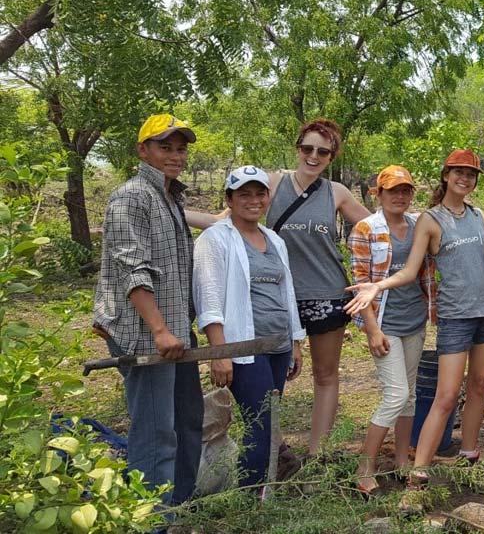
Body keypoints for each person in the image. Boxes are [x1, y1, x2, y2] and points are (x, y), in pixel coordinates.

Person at [344, 150, 484, 487]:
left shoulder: (477, 213)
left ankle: (469, 454)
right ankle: (418, 471)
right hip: (455, 315)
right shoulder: (429, 219)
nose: (464, 179)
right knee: (447, 395)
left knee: (479, 386)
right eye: (458, 173)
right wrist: (377, 285)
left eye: (471, 174)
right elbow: (410, 271)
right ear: (446, 175)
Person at [190, 118, 370, 454]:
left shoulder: (337, 192)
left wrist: (420, 228)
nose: (313, 156)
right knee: (265, 383)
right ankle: (269, 450)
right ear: (298, 147)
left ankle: (318, 453)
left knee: (325, 376)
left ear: (332, 157)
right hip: (272, 300)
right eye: (308, 148)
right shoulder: (272, 183)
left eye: (323, 151)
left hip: (326, 294)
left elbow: (373, 225)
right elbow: (220, 220)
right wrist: (172, 210)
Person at [92, 113, 203, 511]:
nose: (175, 155)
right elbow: (131, 269)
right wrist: (158, 330)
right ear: (143, 150)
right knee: (156, 430)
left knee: (188, 419)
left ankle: (180, 501)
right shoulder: (131, 197)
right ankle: (149, 514)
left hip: (176, 329)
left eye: (180, 148)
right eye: (165, 147)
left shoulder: (170, 197)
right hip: (148, 334)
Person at [192, 166, 306, 494]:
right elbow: (209, 297)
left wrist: (295, 342)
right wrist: (220, 353)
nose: (253, 200)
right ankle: (249, 499)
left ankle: (261, 493)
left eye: (260, 193)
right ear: (229, 199)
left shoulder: (273, 240)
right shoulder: (216, 239)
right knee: (261, 425)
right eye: (244, 194)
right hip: (244, 349)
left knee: (269, 425)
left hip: (278, 345)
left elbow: (287, 293)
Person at [346, 165, 436, 494]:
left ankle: (401, 459)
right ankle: (366, 463)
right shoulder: (366, 229)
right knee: (395, 392)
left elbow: (427, 271)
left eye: (405, 190)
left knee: (409, 394)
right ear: (378, 194)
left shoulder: (419, 225)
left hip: (415, 319)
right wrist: (371, 330)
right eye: (392, 191)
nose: (400, 196)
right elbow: (361, 283)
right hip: (385, 323)